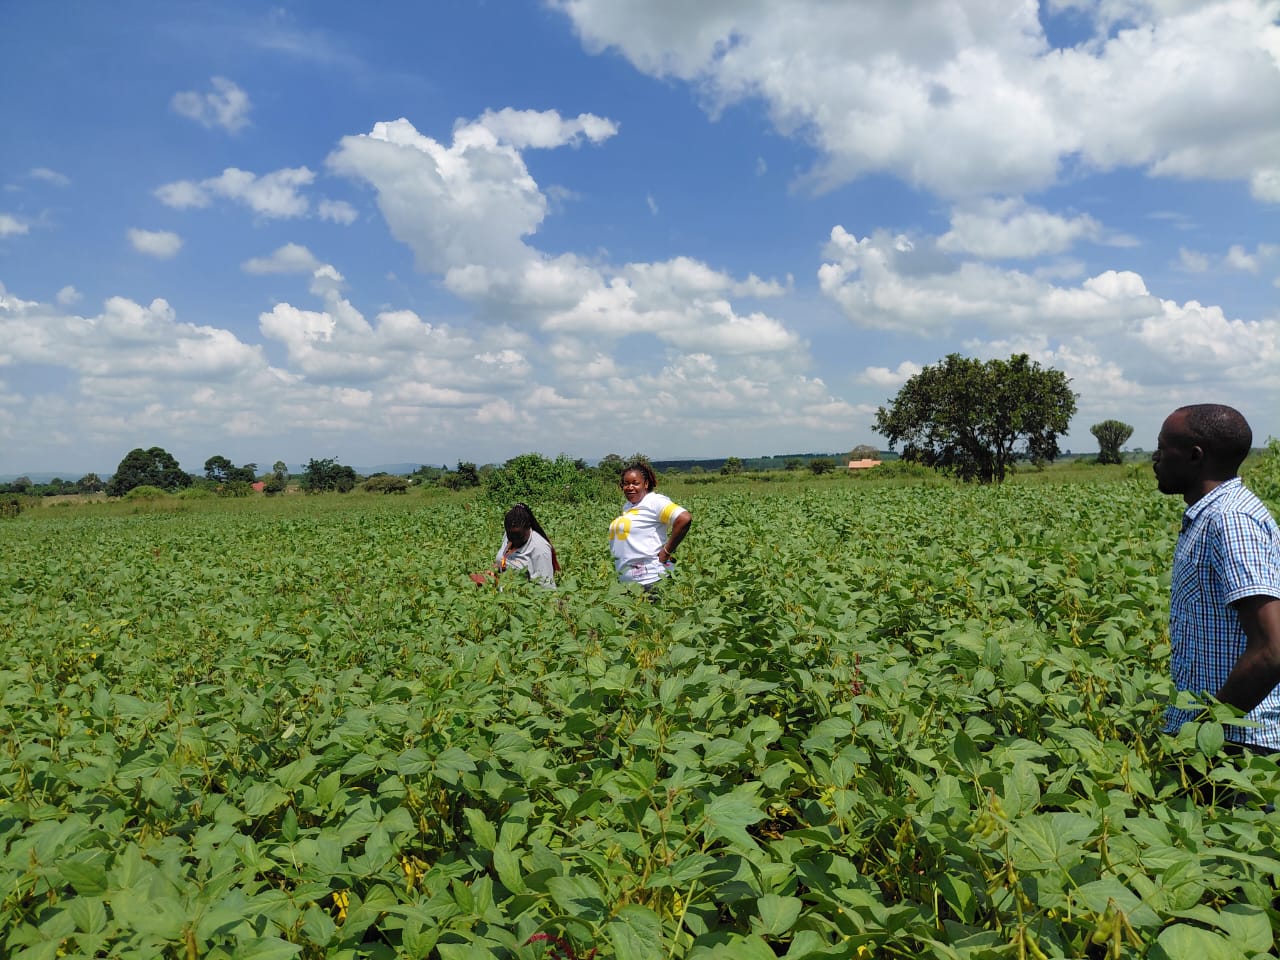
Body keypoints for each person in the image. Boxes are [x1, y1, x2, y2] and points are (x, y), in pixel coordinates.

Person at [1153, 404, 1280, 750]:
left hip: (1238, 744)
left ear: (1195, 456)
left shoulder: (1231, 520)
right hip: (1217, 737)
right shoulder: (1209, 517)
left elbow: (1272, 649)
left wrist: (1205, 732)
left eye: (1163, 449)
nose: (1155, 458)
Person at [608, 461, 691, 589]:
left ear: (646, 484)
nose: (630, 487)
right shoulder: (629, 506)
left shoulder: (654, 501)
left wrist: (667, 551)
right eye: (626, 483)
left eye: (635, 483)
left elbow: (684, 518)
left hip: (651, 581)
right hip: (629, 584)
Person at [472, 502, 559, 588]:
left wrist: (498, 582)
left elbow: (546, 589)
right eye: (510, 536)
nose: (514, 540)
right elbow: (505, 559)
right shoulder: (511, 532)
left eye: (518, 536)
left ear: (528, 527)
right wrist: (491, 572)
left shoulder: (540, 549)